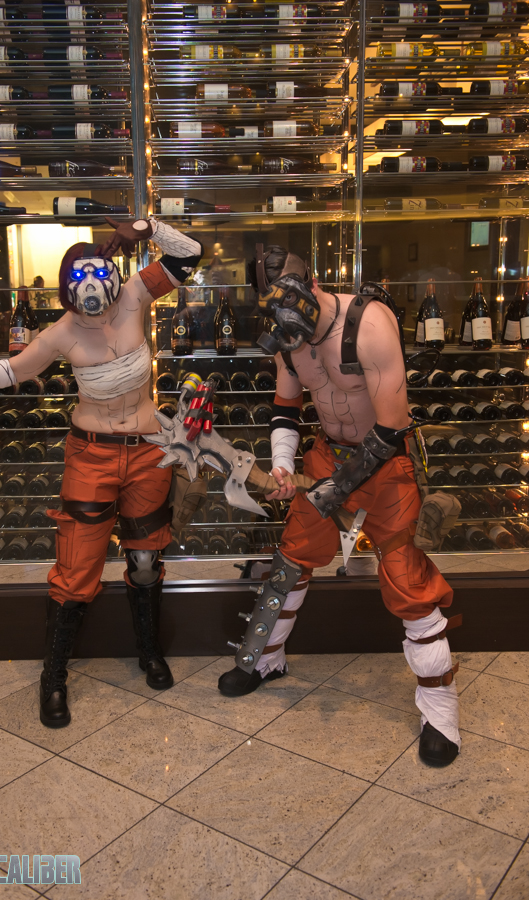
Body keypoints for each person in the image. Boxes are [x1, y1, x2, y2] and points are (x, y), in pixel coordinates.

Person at [0, 218, 203, 728]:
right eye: (80, 283)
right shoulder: (61, 332)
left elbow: (189, 254)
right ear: (67, 288)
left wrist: (146, 227)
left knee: (146, 559)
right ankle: (53, 677)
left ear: (112, 274)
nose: (93, 291)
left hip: (148, 452)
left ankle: (148, 652)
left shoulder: (136, 295)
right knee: (77, 570)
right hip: (92, 457)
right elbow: (12, 369)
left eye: (99, 277)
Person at [218, 245, 461, 768]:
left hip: (386, 461)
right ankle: (266, 659)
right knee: (292, 557)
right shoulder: (288, 341)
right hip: (328, 454)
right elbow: (286, 408)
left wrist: (335, 488)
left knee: (407, 576)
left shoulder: (369, 325)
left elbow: (392, 426)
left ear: (310, 287)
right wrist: (283, 466)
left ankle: (440, 712)